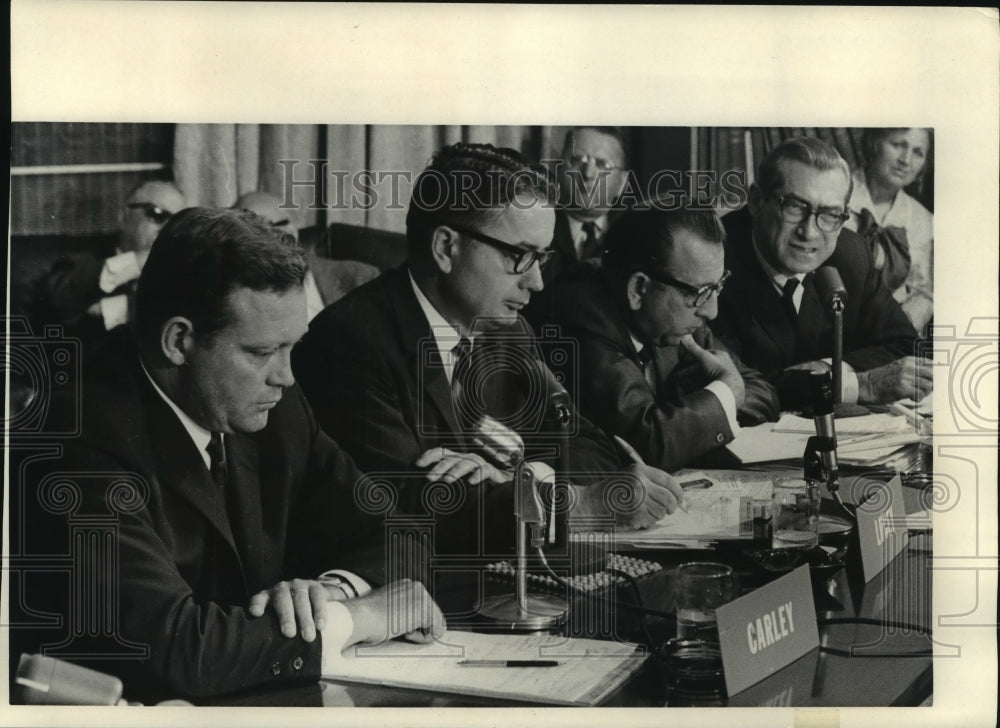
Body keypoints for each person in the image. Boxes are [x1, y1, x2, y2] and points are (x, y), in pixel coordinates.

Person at [21, 208, 444, 702]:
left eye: (291, 347)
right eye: (261, 353)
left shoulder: (271, 407)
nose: (286, 376)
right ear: (179, 341)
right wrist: (355, 617)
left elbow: (397, 533)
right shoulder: (78, 438)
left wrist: (333, 592)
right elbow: (176, 649)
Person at [292, 142, 684, 556]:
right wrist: (579, 506)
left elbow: (589, 448)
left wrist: (516, 474)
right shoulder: (347, 345)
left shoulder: (508, 331)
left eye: (541, 258)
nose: (536, 283)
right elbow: (412, 508)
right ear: (446, 248)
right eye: (519, 256)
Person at [541, 207, 780, 471]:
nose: (712, 311)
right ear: (638, 289)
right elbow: (648, 444)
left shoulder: (677, 319)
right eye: (701, 292)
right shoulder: (579, 318)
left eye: (717, 287)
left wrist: (708, 401)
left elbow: (762, 392)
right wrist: (725, 393)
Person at [711, 136, 931, 410]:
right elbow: (738, 388)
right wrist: (860, 385)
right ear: (756, 201)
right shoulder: (712, 263)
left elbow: (905, 346)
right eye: (794, 207)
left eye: (829, 214)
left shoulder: (850, 254)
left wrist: (827, 368)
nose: (810, 232)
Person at [34, 180, 188, 336]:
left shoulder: (182, 272)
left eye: (176, 223)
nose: (166, 229)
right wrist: (136, 262)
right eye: (157, 215)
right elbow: (60, 299)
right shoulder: (83, 259)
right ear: (124, 216)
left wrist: (122, 308)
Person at [233, 191, 380, 321]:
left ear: (290, 232)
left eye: (259, 232)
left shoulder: (359, 278)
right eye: (241, 237)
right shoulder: (234, 295)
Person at [843, 128, 934, 334]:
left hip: (893, 335)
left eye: (918, 152)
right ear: (874, 144)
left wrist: (900, 327)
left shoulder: (924, 221)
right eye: (898, 145)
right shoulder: (835, 195)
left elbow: (924, 293)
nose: (906, 160)